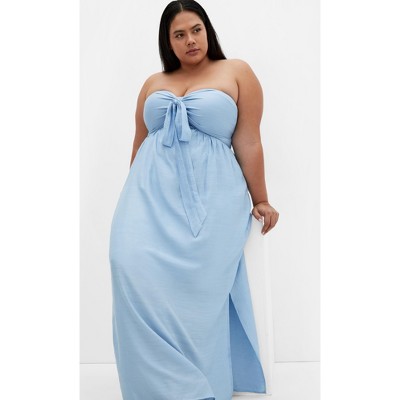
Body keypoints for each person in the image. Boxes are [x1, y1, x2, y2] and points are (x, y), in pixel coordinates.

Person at [109, 1, 279, 399]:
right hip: (147, 196)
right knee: (126, 262)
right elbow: (140, 144)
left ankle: (196, 385)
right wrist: (130, 199)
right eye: (179, 34)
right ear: (168, 42)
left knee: (200, 289)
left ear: (208, 30)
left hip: (213, 197)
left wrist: (261, 199)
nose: (190, 40)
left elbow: (249, 141)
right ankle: (152, 386)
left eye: (196, 29)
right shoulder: (153, 82)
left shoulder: (237, 71)